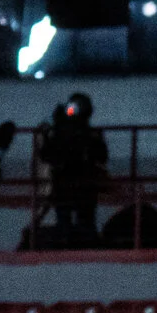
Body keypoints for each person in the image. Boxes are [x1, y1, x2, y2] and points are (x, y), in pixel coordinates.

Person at [40, 91, 110, 245]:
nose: (72, 110)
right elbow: (46, 154)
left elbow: (101, 156)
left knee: (85, 224)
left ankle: (84, 248)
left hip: (82, 184)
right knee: (67, 222)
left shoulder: (89, 134)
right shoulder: (61, 132)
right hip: (66, 182)